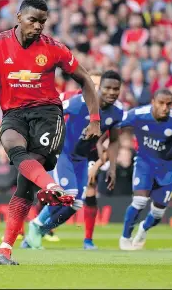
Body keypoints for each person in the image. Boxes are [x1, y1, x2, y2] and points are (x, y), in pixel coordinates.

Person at [0, 0, 102, 265]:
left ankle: (9, 243)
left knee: (25, 186)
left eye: (42, 22)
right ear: (19, 17)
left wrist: (94, 119)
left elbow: (85, 79)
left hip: (48, 115)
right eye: (32, 20)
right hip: (13, 114)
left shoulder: (55, 49)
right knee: (12, 146)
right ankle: (47, 192)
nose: (38, 26)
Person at [23, 70, 123, 250]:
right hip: (63, 153)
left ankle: (36, 234)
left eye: (115, 89)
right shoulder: (79, 103)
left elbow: (114, 140)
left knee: (75, 204)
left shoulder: (117, 112)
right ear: (99, 89)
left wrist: (112, 168)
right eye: (107, 88)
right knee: (68, 192)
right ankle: (36, 225)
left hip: (81, 158)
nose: (111, 92)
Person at [118, 88, 172, 250]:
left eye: (169, 104)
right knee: (139, 200)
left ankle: (144, 229)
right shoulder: (137, 114)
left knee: (158, 213)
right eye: (161, 103)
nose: (165, 107)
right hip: (145, 163)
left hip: (167, 169)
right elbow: (114, 124)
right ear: (153, 102)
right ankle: (125, 238)